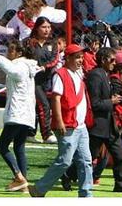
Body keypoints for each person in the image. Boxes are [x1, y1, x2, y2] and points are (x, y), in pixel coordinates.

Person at [29, 43, 93, 197]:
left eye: (81, 57)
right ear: (68, 58)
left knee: (86, 161)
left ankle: (86, 194)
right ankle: (39, 188)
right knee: (65, 161)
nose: (80, 60)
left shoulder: (79, 74)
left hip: (80, 126)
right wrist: (59, 121)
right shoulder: (60, 74)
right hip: (68, 125)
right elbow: (56, 98)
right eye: (77, 57)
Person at [0, 39, 41, 191]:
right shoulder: (27, 66)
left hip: (18, 113)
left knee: (2, 146)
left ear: (19, 53)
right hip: (26, 113)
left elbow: (13, 71)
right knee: (19, 147)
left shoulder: (20, 66)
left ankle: (19, 177)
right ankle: (23, 184)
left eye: (11, 50)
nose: (8, 53)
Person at [86, 47, 122, 193]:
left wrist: (115, 98)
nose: (115, 63)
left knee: (120, 155)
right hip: (98, 125)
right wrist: (111, 101)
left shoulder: (105, 74)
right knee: (89, 156)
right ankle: (68, 175)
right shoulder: (96, 75)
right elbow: (95, 103)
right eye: (112, 60)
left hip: (109, 125)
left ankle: (121, 185)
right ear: (103, 60)